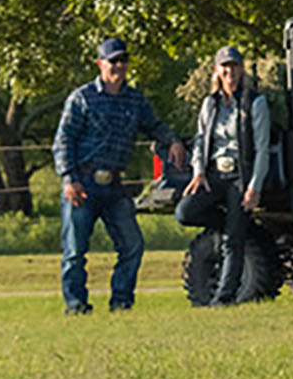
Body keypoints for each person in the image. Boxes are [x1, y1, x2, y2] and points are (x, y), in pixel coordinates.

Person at [52, 37, 190, 315]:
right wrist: (69, 178)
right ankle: (76, 306)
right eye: (113, 60)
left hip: (114, 185)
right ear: (100, 63)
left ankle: (122, 302)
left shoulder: (135, 99)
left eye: (123, 60)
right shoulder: (82, 97)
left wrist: (173, 141)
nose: (119, 65)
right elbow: (63, 141)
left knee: (132, 245)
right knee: (75, 252)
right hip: (83, 183)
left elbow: (155, 126)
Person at [176, 46, 272, 307]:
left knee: (233, 243)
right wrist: (198, 172)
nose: (229, 72)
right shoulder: (211, 104)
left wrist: (255, 187)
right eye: (224, 67)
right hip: (215, 174)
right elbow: (199, 141)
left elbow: (263, 149)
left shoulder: (255, 103)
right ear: (217, 71)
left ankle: (224, 298)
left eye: (234, 66)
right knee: (184, 212)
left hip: (241, 178)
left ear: (241, 70)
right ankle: (233, 225)